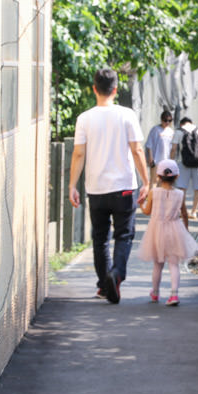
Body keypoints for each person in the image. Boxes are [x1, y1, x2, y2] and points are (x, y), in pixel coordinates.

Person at [68, 69, 149, 304]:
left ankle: (104, 286)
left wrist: (73, 185)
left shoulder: (84, 118)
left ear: (94, 88)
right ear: (115, 89)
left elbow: (78, 153)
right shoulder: (127, 115)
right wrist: (147, 181)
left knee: (100, 238)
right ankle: (116, 274)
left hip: (96, 189)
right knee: (124, 235)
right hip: (124, 187)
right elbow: (137, 150)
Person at [138, 159, 198, 306]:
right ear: (177, 176)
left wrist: (141, 203)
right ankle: (174, 295)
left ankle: (155, 293)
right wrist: (185, 230)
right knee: (173, 264)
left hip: (156, 230)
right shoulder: (180, 194)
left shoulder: (154, 192)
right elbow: (184, 214)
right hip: (174, 230)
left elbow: (147, 212)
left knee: (158, 264)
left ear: (158, 176)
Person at [169, 117, 198, 219]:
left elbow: (173, 149)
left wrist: (171, 162)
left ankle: (182, 211)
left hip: (184, 163)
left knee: (182, 188)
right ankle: (194, 212)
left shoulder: (179, 131)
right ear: (192, 123)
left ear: (181, 124)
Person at [144, 110, 175, 188]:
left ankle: (159, 198)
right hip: (156, 160)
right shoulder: (155, 129)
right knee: (154, 180)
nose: (167, 122)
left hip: (166, 160)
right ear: (161, 120)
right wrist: (151, 158)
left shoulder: (171, 132)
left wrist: (171, 160)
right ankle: (151, 199)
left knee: (163, 181)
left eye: (169, 120)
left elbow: (172, 148)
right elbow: (149, 144)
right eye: (165, 120)